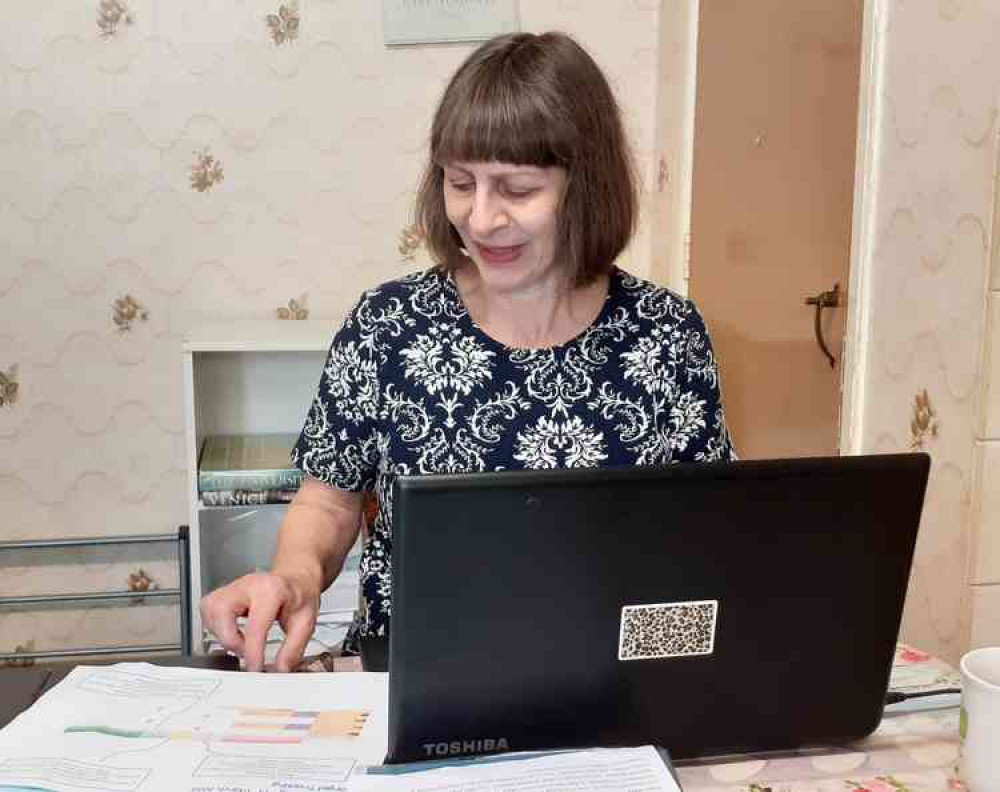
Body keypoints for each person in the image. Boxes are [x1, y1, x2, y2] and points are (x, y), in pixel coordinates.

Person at [200, 31, 735, 673]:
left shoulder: (666, 334)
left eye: (516, 189)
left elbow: (709, 536)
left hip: (617, 685)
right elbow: (328, 501)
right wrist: (292, 578)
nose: (480, 220)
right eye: (461, 183)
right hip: (417, 673)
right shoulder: (388, 325)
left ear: (585, 187)